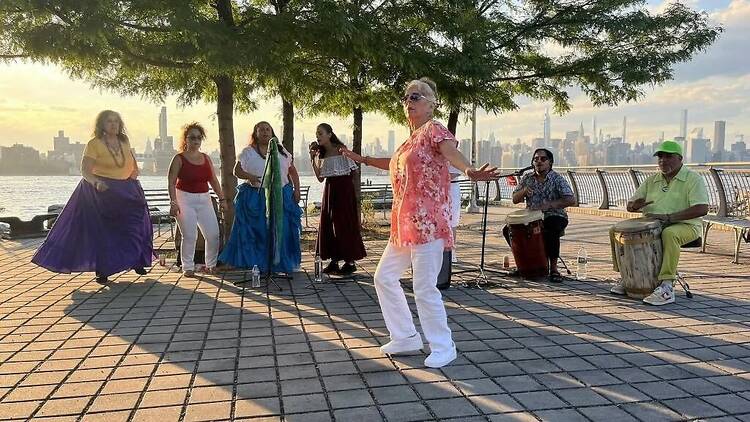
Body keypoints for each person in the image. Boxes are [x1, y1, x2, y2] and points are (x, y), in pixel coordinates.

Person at [342, 77, 499, 368]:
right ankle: (405, 337)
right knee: (384, 277)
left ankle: (443, 345)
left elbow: (450, 152)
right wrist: (360, 158)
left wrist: (469, 170)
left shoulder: (434, 129)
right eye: (406, 98)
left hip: (428, 222)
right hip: (405, 224)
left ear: (431, 104)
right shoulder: (409, 141)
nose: (409, 102)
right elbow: (392, 162)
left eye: (416, 97)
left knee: (425, 286)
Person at [32, 110, 153, 284]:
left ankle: (137, 261)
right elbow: (85, 170)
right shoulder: (94, 144)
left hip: (127, 190)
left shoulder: (124, 141)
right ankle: (103, 270)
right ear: (102, 124)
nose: (113, 124)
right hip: (102, 192)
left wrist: (134, 172)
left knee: (134, 227)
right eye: (109, 121)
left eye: (116, 121)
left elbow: (131, 162)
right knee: (105, 233)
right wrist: (96, 182)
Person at [610, 140, 708, 305]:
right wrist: (634, 206)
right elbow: (630, 205)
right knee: (615, 230)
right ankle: (625, 277)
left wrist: (670, 217)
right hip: (653, 223)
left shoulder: (693, 178)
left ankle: (667, 285)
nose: (663, 160)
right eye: (660, 157)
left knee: (669, 233)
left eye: (668, 156)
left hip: (686, 225)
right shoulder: (652, 180)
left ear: (680, 158)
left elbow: (701, 209)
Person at [218, 121, 302, 274]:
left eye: (267, 129)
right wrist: (250, 177)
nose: (264, 132)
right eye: (261, 130)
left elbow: (292, 171)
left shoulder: (281, 150)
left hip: (281, 194)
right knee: (260, 231)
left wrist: (297, 190)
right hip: (255, 196)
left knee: (281, 229)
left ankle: (280, 263)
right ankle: (259, 265)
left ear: (272, 132)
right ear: (255, 133)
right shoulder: (248, 152)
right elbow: (237, 171)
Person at [502, 148, 575, 282]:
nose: (539, 161)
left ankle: (553, 269)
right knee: (508, 230)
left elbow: (571, 199)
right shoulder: (527, 178)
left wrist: (549, 205)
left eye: (543, 159)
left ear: (550, 162)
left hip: (555, 215)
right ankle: (524, 265)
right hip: (532, 217)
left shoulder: (557, 179)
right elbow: (515, 199)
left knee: (551, 227)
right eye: (536, 159)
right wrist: (523, 191)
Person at [167, 123, 227, 277]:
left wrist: (222, 199)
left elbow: (213, 180)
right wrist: (173, 202)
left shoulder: (206, 158)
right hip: (184, 198)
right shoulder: (179, 158)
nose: (196, 141)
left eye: (199, 138)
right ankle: (187, 266)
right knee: (190, 235)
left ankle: (211, 265)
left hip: (204, 199)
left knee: (213, 234)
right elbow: (171, 181)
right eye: (192, 137)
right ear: (186, 139)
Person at [310, 123, 366, 275]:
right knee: (329, 223)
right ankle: (334, 260)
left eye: (320, 133)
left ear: (329, 134)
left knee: (343, 223)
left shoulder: (341, 149)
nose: (318, 136)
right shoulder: (321, 154)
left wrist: (353, 193)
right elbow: (320, 178)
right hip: (330, 188)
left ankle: (350, 261)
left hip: (344, 188)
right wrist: (312, 158)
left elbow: (354, 171)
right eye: (317, 134)